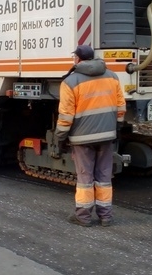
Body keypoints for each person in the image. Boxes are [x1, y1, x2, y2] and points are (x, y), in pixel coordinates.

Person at [52, 44, 126, 227]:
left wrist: (59, 138)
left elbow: (66, 116)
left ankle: (83, 216)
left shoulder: (70, 82)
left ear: (77, 59)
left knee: (85, 178)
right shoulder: (112, 76)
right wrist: (117, 127)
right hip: (107, 136)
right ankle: (105, 216)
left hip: (82, 138)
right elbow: (121, 107)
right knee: (104, 177)